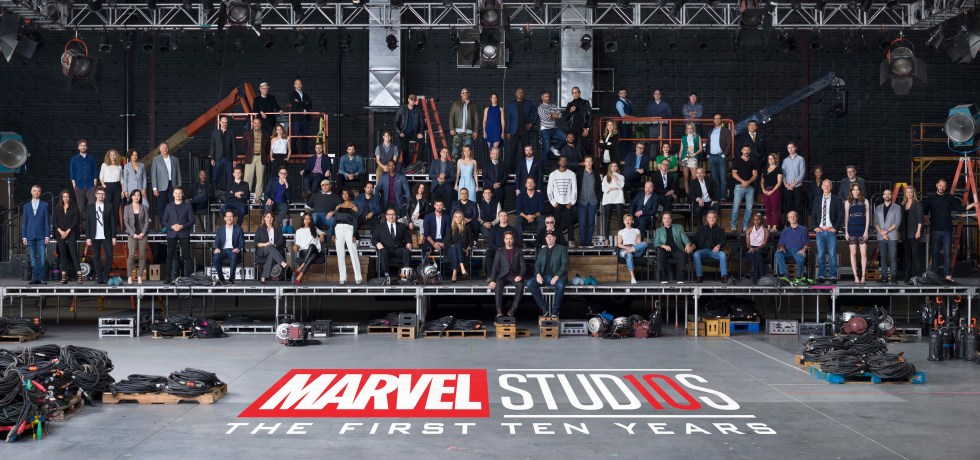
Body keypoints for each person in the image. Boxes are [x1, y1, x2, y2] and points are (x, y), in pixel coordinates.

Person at [923, 178, 971, 282]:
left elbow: (960, 208)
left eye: (944, 186)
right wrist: (927, 220)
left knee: (947, 253)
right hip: (935, 230)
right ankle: (935, 274)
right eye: (940, 185)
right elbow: (924, 211)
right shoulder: (930, 198)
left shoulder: (950, 198)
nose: (942, 188)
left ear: (946, 188)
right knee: (935, 252)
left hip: (947, 230)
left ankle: (947, 275)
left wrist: (974, 205)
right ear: (937, 185)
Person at [526, 231, 569, 317]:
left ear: (555, 238)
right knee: (530, 283)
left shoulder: (562, 249)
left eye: (551, 236)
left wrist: (557, 276)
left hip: (556, 277)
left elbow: (565, 264)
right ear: (545, 239)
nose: (549, 238)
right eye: (547, 237)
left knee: (560, 285)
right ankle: (544, 307)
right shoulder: (542, 250)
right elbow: (537, 264)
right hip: (544, 277)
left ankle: (555, 310)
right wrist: (538, 274)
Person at [811, 179, 844, 284]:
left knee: (832, 255)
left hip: (831, 231)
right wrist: (815, 227)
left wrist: (836, 228)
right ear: (821, 187)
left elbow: (840, 216)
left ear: (831, 186)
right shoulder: (817, 199)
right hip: (820, 231)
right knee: (821, 255)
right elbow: (813, 215)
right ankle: (821, 275)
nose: (826, 187)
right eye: (824, 185)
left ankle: (833, 276)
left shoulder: (837, 199)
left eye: (828, 185)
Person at [85, 187, 118, 284]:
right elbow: (87, 224)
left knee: (109, 255)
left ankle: (105, 276)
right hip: (94, 236)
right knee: (96, 257)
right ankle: (99, 277)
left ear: (105, 195)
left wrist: (114, 236)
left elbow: (112, 222)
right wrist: (88, 237)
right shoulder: (90, 207)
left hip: (107, 235)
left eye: (103, 194)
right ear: (96, 195)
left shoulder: (109, 206)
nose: (101, 195)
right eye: (99, 194)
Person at [489, 231, 525, 317]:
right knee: (498, 284)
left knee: (520, 285)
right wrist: (492, 280)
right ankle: (499, 309)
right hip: (503, 276)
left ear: (513, 240)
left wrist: (520, 276)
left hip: (514, 276)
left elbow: (523, 265)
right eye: (507, 239)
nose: (509, 240)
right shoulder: (499, 251)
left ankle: (513, 308)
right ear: (504, 240)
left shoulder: (518, 250)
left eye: (510, 239)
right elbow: (495, 266)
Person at [161, 186, 193, 284]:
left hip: (184, 233)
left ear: (182, 194)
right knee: (169, 256)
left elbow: (192, 220)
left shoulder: (187, 206)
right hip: (172, 233)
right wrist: (171, 226)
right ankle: (167, 278)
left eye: (179, 193)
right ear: (173, 194)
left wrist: (182, 226)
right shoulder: (168, 206)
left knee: (187, 255)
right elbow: (164, 221)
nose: (178, 195)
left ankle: (190, 278)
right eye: (176, 193)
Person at [373, 208, 412, 283]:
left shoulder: (401, 226)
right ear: (386, 216)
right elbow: (374, 239)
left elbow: (407, 238)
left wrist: (408, 243)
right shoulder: (380, 227)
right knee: (383, 252)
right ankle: (386, 275)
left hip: (398, 249)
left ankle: (405, 275)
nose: (391, 216)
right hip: (386, 249)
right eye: (389, 214)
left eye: (393, 214)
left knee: (406, 252)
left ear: (396, 216)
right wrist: (378, 243)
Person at [505, 87, 540, 170]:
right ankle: (512, 170)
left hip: (525, 131)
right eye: (518, 92)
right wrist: (508, 131)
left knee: (527, 151)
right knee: (513, 151)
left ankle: (526, 168)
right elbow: (508, 118)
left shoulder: (528, 103)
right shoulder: (511, 105)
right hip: (514, 131)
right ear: (515, 94)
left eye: (521, 92)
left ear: (523, 94)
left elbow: (536, 113)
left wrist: (532, 123)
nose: (520, 93)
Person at [333, 189, 363, 285]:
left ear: (350, 195)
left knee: (353, 252)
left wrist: (354, 234)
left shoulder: (354, 207)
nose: (345, 195)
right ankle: (342, 277)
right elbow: (335, 221)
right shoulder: (338, 206)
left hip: (349, 228)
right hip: (338, 229)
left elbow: (355, 222)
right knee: (340, 253)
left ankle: (358, 277)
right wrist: (333, 233)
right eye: (343, 194)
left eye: (346, 194)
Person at [22, 185, 50, 285]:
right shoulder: (26, 206)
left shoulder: (45, 205)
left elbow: (47, 221)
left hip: (41, 234)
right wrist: (24, 236)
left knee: (42, 257)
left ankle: (41, 278)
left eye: (38, 191)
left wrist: (47, 235)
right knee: (33, 258)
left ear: (40, 192)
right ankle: (35, 278)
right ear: (31, 192)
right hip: (30, 235)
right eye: (34, 190)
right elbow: (24, 222)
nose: (36, 192)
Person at [53, 190, 82, 284]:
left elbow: (75, 220)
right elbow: (54, 221)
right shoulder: (57, 207)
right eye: (64, 197)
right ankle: (64, 277)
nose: (66, 198)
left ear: (70, 197)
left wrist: (68, 231)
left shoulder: (74, 207)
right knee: (62, 255)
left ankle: (79, 276)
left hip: (71, 232)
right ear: (61, 198)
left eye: (67, 196)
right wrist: (61, 231)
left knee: (74, 254)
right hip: (60, 233)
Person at [653, 213, 691, 284]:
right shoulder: (659, 230)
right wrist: (663, 246)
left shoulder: (678, 227)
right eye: (665, 218)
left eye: (668, 218)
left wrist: (687, 244)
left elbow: (684, 237)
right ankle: (664, 278)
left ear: (671, 219)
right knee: (661, 255)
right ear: (662, 220)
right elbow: (656, 243)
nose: (666, 220)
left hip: (676, 249)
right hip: (665, 250)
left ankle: (681, 278)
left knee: (682, 254)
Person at [691, 210, 728, 283]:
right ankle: (699, 276)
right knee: (696, 254)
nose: (712, 219)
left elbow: (723, 241)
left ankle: (724, 276)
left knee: (723, 254)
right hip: (703, 251)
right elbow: (695, 240)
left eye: (713, 217)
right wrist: (692, 246)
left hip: (714, 251)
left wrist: (718, 245)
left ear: (716, 218)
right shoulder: (701, 228)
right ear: (707, 219)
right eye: (710, 217)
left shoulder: (720, 230)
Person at [547, 156, 578, 245]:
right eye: (561, 160)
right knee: (557, 224)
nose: (563, 162)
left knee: (570, 223)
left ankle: (571, 241)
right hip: (557, 203)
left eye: (564, 160)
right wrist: (553, 202)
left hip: (568, 203)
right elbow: (549, 190)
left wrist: (572, 202)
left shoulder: (572, 174)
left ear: (567, 162)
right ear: (559, 162)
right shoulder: (553, 174)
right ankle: (558, 242)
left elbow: (574, 190)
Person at [875, 189, 902, 284]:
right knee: (882, 257)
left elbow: (897, 222)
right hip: (881, 236)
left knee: (893, 257)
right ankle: (884, 277)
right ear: (883, 196)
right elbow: (875, 222)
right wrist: (881, 232)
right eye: (885, 194)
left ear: (891, 196)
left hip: (892, 236)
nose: (887, 195)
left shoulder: (897, 207)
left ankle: (893, 278)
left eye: (889, 194)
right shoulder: (878, 208)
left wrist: (886, 232)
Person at [151, 142, 183, 224]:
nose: (164, 149)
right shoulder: (155, 160)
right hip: (161, 186)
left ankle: (174, 223)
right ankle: (164, 226)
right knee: (162, 206)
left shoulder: (175, 159)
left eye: (166, 147)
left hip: (173, 185)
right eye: (163, 148)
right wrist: (154, 188)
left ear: (168, 148)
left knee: (174, 204)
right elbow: (153, 175)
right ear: (160, 149)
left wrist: (179, 186)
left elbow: (178, 173)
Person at [844, 184, 870, 285]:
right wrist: (846, 232)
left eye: (857, 189)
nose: (856, 191)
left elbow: (868, 217)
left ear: (860, 190)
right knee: (853, 253)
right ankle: (855, 276)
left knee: (864, 254)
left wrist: (866, 231)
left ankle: (863, 276)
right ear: (851, 191)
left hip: (862, 229)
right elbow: (846, 217)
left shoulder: (865, 201)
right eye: (854, 189)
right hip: (852, 229)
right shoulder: (848, 202)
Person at [123, 190, 150, 284]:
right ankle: (129, 276)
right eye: (134, 195)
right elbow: (126, 222)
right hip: (132, 234)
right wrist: (133, 234)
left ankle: (139, 276)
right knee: (131, 255)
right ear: (131, 197)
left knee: (142, 255)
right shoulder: (126, 208)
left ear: (140, 197)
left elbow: (147, 221)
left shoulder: (144, 207)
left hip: (143, 234)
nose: (136, 197)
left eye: (138, 195)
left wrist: (142, 233)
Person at [211, 210, 245, 284]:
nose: (229, 218)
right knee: (216, 256)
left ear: (233, 218)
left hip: (233, 250)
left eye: (231, 217)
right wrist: (216, 248)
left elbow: (242, 242)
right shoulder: (220, 229)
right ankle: (221, 279)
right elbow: (217, 241)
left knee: (234, 255)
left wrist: (238, 248)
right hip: (222, 250)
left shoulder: (238, 229)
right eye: (227, 216)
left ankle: (231, 279)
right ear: (225, 218)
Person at [241, 117, 270, 201]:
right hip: (250, 157)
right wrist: (248, 153)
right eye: (255, 123)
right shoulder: (247, 133)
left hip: (261, 157)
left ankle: (258, 199)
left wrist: (264, 154)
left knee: (260, 179)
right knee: (247, 179)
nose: (257, 124)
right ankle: (246, 198)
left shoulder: (265, 134)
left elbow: (268, 147)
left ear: (261, 124)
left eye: (258, 123)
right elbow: (244, 146)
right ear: (252, 124)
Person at [730, 145, 758, 232]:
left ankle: (745, 226)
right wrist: (742, 181)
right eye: (744, 150)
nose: (746, 151)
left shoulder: (753, 161)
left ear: (750, 151)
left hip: (750, 188)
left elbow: (755, 175)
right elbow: (734, 173)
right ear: (741, 151)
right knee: (736, 207)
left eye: (748, 150)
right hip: (739, 187)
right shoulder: (736, 161)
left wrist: (748, 182)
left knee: (749, 208)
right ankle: (734, 226)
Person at [256, 211, 289, 284]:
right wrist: (266, 244)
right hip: (264, 250)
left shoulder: (278, 228)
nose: (269, 219)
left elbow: (281, 240)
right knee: (269, 246)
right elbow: (256, 243)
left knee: (271, 256)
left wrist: (274, 245)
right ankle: (283, 263)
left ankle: (263, 277)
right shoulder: (260, 228)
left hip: (275, 250)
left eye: (271, 217)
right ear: (264, 218)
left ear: (273, 219)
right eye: (267, 217)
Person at [393, 94, 426, 168]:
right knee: (404, 149)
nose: (413, 101)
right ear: (408, 100)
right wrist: (399, 132)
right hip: (404, 133)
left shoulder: (418, 109)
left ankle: (418, 161)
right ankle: (407, 165)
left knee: (422, 142)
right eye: (411, 99)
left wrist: (421, 132)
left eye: (414, 100)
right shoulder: (402, 109)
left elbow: (422, 122)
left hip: (414, 132)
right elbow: (395, 122)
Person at [775, 211, 809, 279]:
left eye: (794, 216)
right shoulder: (785, 231)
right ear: (788, 219)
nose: (792, 218)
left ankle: (799, 277)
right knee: (778, 254)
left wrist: (803, 249)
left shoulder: (804, 229)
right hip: (787, 251)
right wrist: (781, 248)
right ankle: (785, 274)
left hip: (798, 251)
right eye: (790, 217)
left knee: (801, 258)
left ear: (797, 218)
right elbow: (781, 243)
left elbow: (807, 243)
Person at [706, 114, 732, 200]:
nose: (717, 120)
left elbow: (729, 144)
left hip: (721, 156)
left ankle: (723, 197)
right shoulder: (710, 131)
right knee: (714, 179)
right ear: (713, 120)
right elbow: (708, 144)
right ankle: (717, 197)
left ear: (721, 120)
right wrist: (708, 155)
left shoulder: (726, 130)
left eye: (718, 119)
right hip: (712, 157)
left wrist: (724, 155)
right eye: (715, 119)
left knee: (723, 178)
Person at [449, 87, 479, 160]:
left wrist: (475, 131)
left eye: (466, 92)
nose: (465, 93)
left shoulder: (473, 105)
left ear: (469, 94)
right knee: (455, 151)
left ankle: (466, 166)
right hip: (457, 131)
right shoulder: (455, 104)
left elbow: (476, 119)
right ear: (460, 94)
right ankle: (454, 166)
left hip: (469, 132)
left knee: (467, 152)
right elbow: (451, 116)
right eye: (463, 92)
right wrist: (451, 128)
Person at [292, 214, 323, 284]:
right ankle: (300, 275)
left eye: (309, 219)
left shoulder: (314, 228)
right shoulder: (299, 231)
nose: (307, 221)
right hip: (304, 253)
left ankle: (301, 267)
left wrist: (322, 235)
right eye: (305, 219)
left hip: (315, 250)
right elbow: (297, 244)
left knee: (311, 246)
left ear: (311, 220)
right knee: (313, 255)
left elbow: (323, 233)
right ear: (303, 220)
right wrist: (296, 246)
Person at [617, 214, 648, 284]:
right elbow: (619, 244)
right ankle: (632, 277)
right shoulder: (621, 232)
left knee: (645, 243)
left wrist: (632, 248)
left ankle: (629, 250)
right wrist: (627, 248)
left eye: (629, 219)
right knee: (629, 254)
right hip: (624, 249)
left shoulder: (636, 230)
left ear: (632, 221)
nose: (627, 221)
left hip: (635, 250)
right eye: (626, 220)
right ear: (624, 221)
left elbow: (639, 243)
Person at [902, 186, 924, 284]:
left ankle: (918, 276)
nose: (909, 194)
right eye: (907, 192)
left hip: (914, 232)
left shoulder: (917, 204)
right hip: (905, 233)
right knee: (907, 255)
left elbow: (920, 218)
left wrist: (918, 231)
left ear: (913, 193)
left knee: (915, 254)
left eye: (910, 192)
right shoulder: (903, 204)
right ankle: (908, 276)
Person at [70, 139, 98, 214]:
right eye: (81, 145)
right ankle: (83, 221)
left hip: (91, 185)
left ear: (87, 147)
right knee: (81, 207)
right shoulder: (74, 159)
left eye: (84, 145)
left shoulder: (92, 159)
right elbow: (72, 173)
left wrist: (94, 184)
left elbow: (95, 171)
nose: (83, 147)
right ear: (78, 147)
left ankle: (90, 221)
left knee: (92, 205)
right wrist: (74, 184)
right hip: (79, 185)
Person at [577, 156, 601, 245]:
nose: (588, 163)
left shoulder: (596, 174)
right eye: (587, 161)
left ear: (592, 163)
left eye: (590, 161)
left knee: (591, 223)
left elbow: (599, 189)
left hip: (593, 202)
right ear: (584, 163)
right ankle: (582, 242)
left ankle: (589, 241)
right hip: (581, 201)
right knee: (582, 222)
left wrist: (598, 200)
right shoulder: (579, 174)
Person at [484, 209, 514, 280]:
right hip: (497, 249)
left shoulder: (512, 229)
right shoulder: (494, 229)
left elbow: (515, 241)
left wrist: (506, 248)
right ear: (499, 218)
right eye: (501, 216)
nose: (503, 217)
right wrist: (499, 248)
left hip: (508, 248)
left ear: (507, 217)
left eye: (505, 216)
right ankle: (490, 276)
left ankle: (511, 274)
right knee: (488, 252)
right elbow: (491, 243)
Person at [208, 116, 236, 190]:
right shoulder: (215, 132)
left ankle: (229, 193)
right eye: (223, 122)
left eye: (226, 122)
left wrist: (234, 159)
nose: (224, 124)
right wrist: (212, 158)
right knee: (215, 177)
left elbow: (234, 147)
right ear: (220, 122)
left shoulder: (231, 132)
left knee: (230, 178)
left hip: (228, 158)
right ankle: (215, 193)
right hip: (218, 159)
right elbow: (212, 146)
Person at [287, 78, 313, 155]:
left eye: (300, 84)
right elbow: (295, 104)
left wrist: (300, 103)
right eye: (297, 84)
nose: (298, 85)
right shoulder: (292, 94)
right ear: (294, 85)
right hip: (297, 119)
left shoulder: (306, 94)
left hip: (305, 118)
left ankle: (305, 153)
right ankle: (293, 153)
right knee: (294, 137)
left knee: (305, 137)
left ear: (302, 85)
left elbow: (310, 105)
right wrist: (305, 103)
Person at [601, 162, 626, 241]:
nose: (614, 168)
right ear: (610, 168)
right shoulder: (606, 177)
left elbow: (621, 187)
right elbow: (604, 189)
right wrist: (613, 188)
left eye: (615, 166)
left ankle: (623, 239)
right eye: (612, 166)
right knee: (607, 220)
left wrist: (615, 179)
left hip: (618, 199)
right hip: (608, 199)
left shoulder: (621, 177)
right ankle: (606, 239)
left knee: (620, 219)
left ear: (617, 167)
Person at [538, 90, 566, 159]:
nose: (548, 98)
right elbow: (546, 118)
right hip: (545, 130)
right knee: (546, 149)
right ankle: (544, 164)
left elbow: (560, 115)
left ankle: (554, 147)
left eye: (548, 96)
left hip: (554, 128)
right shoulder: (540, 108)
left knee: (566, 138)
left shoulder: (553, 106)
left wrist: (551, 115)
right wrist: (554, 115)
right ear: (542, 97)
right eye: (546, 96)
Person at [565, 86, 593, 157]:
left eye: (577, 92)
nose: (575, 94)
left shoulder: (585, 103)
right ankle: (575, 162)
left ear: (580, 93)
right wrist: (570, 111)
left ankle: (588, 162)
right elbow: (566, 118)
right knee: (573, 146)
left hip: (583, 128)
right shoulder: (570, 104)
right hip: (573, 129)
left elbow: (590, 116)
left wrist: (588, 128)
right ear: (572, 94)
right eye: (574, 92)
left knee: (586, 147)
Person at [100, 149, 124, 229]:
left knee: (116, 206)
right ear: (108, 156)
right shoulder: (104, 165)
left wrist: (123, 190)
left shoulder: (119, 166)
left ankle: (114, 225)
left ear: (116, 156)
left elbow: (122, 179)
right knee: (108, 205)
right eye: (111, 155)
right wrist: (104, 186)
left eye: (114, 155)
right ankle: (107, 225)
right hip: (108, 186)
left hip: (117, 187)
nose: (113, 156)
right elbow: (101, 177)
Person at [781, 141, 806, 219]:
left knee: (799, 207)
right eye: (788, 148)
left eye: (792, 147)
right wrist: (786, 184)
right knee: (788, 207)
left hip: (797, 187)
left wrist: (793, 184)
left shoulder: (800, 159)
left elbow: (802, 173)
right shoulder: (785, 160)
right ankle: (789, 225)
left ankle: (800, 224)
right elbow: (783, 174)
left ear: (795, 148)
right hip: (787, 187)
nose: (790, 149)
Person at [445, 211, 472, 282]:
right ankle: (462, 267)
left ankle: (454, 274)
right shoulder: (450, 228)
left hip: (462, 251)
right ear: (454, 218)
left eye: (460, 217)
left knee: (457, 249)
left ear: (462, 218)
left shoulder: (467, 227)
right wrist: (454, 246)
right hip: (451, 250)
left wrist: (468, 248)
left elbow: (471, 241)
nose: (458, 218)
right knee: (456, 246)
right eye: (456, 217)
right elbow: (448, 241)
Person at [760, 153, 783, 231]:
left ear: (775, 160)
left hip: (774, 190)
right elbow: (762, 181)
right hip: (766, 191)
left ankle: (775, 226)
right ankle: (769, 226)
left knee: (775, 209)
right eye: (769, 158)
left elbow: (779, 182)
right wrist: (763, 190)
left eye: (772, 158)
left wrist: (772, 191)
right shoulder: (765, 170)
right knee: (768, 210)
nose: (770, 160)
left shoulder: (778, 169)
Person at [678, 122, 702, 197]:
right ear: (686, 129)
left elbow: (700, 149)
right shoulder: (683, 138)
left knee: (694, 177)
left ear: (693, 129)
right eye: (688, 128)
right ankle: (688, 194)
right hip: (685, 158)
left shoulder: (697, 137)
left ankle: (695, 194)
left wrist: (695, 154)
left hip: (693, 158)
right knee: (686, 177)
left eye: (691, 128)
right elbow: (681, 150)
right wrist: (679, 159)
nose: (689, 130)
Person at [745, 213, 769, 282]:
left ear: (761, 220)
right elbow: (747, 244)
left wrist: (756, 249)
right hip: (751, 249)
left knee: (758, 254)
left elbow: (764, 244)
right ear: (753, 220)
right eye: (755, 219)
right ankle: (761, 278)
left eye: (758, 219)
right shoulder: (748, 230)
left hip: (761, 249)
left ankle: (756, 279)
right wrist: (751, 249)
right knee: (756, 260)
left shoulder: (766, 230)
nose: (757, 221)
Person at [614, 88, 634, 161]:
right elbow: (623, 115)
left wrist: (633, 124)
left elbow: (631, 112)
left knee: (629, 141)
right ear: (619, 94)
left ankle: (629, 158)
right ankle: (622, 158)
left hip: (629, 124)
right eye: (622, 93)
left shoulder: (629, 101)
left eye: (624, 92)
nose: (624, 94)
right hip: (623, 124)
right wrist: (633, 118)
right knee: (623, 141)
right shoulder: (619, 103)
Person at [807, 164, 825, 228]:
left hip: (823, 203)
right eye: (816, 172)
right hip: (813, 204)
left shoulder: (824, 182)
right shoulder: (811, 183)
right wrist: (814, 203)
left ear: (822, 173)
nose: (818, 174)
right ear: (814, 173)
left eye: (819, 172)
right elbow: (809, 195)